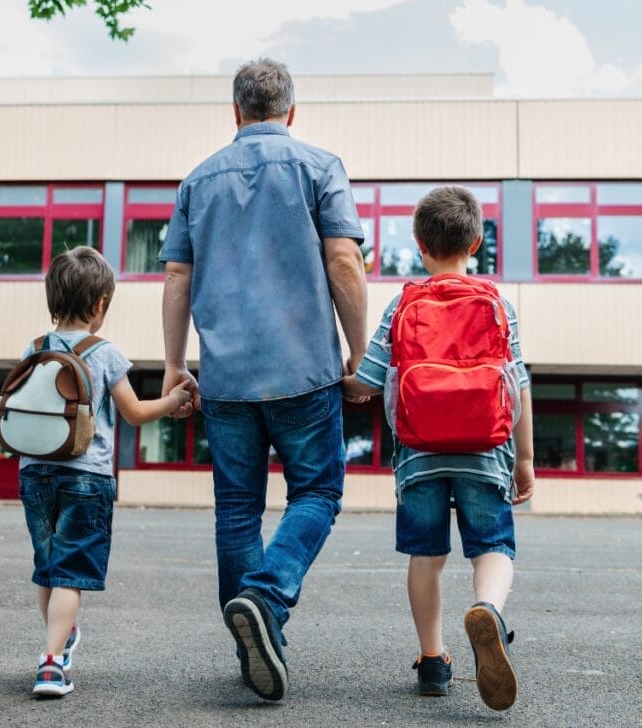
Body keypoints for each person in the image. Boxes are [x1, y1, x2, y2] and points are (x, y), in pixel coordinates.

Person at [159, 58, 368, 702]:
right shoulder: (320, 167)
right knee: (318, 493)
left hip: (224, 379)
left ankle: (255, 637)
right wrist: (361, 355)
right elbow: (343, 261)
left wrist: (174, 365)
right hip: (304, 372)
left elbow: (175, 277)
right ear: (292, 112)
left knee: (237, 510)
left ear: (236, 113)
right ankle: (266, 598)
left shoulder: (197, 180)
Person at [342, 186, 535, 711]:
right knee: (493, 545)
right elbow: (517, 384)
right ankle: (488, 610)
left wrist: (345, 377)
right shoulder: (498, 303)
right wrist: (524, 460)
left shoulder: (404, 302)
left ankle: (432, 661)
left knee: (426, 557)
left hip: (419, 454)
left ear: (419, 243)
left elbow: (367, 382)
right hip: (486, 449)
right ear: (475, 241)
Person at [17, 246, 192, 697]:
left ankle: (59, 636)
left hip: (34, 472)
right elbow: (133, 413)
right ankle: (52, 663)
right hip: (86, 477)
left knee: (49, 567)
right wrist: (173, 402)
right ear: (100, 305)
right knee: (72, 570)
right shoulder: (105, 352)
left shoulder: (35, 348)